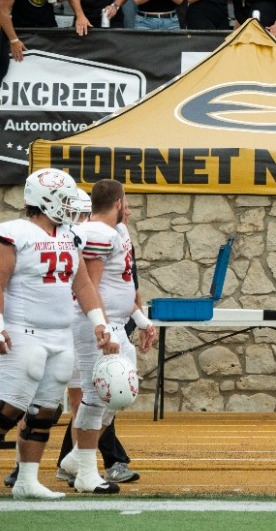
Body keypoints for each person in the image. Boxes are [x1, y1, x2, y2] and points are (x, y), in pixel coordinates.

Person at [0, 169, 116, 499]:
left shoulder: (69, 235)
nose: (69, 207)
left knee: (45, 412)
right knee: (8, 407)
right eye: (64, 199)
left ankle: (27, 480)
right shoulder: (13, 233)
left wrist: (99, 323)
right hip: (23, 330)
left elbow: (82, 284)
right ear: (44, 199)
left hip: (59, 332)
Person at [58, 179, 153, 490]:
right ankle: (85, 473)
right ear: (117, 203)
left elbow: (123, 284)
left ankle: (75, 458)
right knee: (95, 396)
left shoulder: (114, 231)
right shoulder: (96, 233)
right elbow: (90, 288)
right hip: (97, 325)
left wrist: (139, 319)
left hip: (113, 324)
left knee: (119, 393)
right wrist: (100, 326)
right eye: (124, 201)